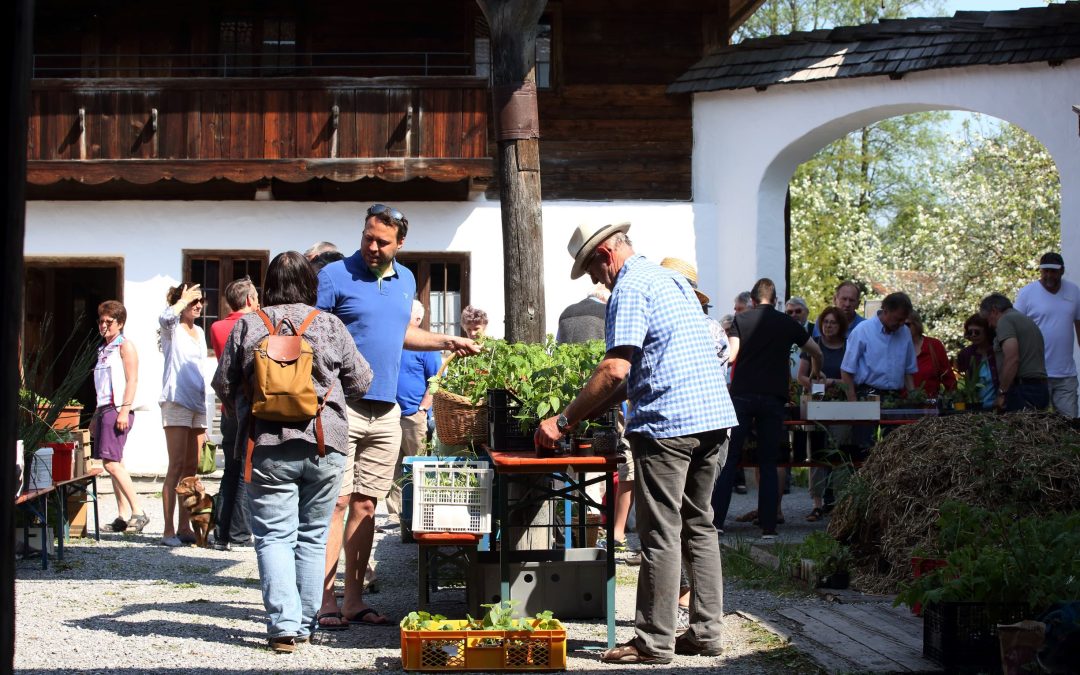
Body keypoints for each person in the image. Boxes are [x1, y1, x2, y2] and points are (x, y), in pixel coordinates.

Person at [535, 222, 736, 664]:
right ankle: (706, 632)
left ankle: (653, 640)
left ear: (605, 255)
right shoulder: (671, 280)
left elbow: (615, 371)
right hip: (714, 418)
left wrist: (563, 421)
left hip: (669, 425)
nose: (594, 280)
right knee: (699, 526)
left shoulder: (628, 287)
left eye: (591, 269)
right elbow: (648, 365)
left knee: (661, 532)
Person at [316, 203, 479, 629]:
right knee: (337, 503)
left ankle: (353, 600)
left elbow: (399, 333)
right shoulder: (333, 276)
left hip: (388, 411)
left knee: (368, 505)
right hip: (342, 405)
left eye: (382, 241)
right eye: (368, 237)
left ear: (400, 243)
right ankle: (323, 600)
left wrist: (445, 340)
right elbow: (312, 333)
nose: (372, 246)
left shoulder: (406, 279)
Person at [212, 251, 372, 652]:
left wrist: (249, 401)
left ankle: (283, 627)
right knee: (313, 535)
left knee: (273, 537)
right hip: (324, 442)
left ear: (267, 285)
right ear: (310, 284)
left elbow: (223, 383)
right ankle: (305, 621)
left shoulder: (248, 325)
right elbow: (361, 383)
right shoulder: (329, 325)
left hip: (266, 444)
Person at [712, 278, 822, 539]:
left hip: (742, 395)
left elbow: (733, 354)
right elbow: (816, 351)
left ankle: (717, 523)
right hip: (773, 398)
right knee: (769, 462)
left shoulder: (742, 319)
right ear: (776, 301)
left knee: (730, 460)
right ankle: (768, 528)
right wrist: (817, 374)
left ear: (751, 300)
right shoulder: (788, 323)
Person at [209, 277, 260, 551]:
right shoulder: (252, 324)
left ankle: (222, 532)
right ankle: (240, 533)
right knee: (243, 469)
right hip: (246, 403)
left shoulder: (217, 326)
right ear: (250, 299)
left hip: (227, 404)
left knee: (229, 467)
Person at [382, 300, 441, 531]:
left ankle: (421, 513)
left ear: (417, 320)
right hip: (388, 413)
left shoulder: (427, 346)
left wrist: (423, 408)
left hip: (413, 415)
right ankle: (394, 515)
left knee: (418, 465)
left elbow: (435, 381)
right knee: (393, 467)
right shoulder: (393, 340)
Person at [92, 300, 149, 533]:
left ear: (120, 323)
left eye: (109, 322)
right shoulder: (103, 348)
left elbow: (132, 379)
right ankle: (122, 515)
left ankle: (139, 511)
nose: (104, 325)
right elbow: (102, 383)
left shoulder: (124, 346)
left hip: (117, 408)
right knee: (117, 462)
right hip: (104, 408)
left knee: (111, 463)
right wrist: (96, 414)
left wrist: (125, 409)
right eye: (101, 321)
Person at [158, 282, 207, 547]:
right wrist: (180, 300)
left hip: (197, 404)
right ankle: (167, 530)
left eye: (200, 301)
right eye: (193, 301)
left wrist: (205, 418)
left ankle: (184, 526)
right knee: (175, 466)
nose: (198, 305)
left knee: (191, 469)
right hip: (176, 402)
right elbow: (164, 317)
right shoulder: (172, 329)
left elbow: (200, 371)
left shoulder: (199, 331)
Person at [1014, 252, 1080, 418]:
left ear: (1062, 271)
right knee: (1035, 424)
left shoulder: (1074, 291)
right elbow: (1015, 328)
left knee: (1069, 424)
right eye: (1045, 271)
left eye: (1053, 271)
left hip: (1066, 373)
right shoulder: (1027, 293)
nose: (1049, 275)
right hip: (1036, 373)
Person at [797, 307, 848, 521]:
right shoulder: (813, 344)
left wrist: (831, 383)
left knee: (839, 453)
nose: (828, 326)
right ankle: (817, 503)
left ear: (841, 326)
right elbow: (801, 376)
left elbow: (850, 380)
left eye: (833, 322)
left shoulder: (847, 347)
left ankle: (837, 501)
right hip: (816, 405)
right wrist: (816, 384)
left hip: (840, 406)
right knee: (816, 453)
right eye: (825, 322)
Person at [979, 293, 1049, 412]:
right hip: (1039, 387)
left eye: (988, 320)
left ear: (994, 310)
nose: (990, 325)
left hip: (1023, 390)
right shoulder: (1025, 320)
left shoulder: (1005, 321)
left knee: (1017, 430)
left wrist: (1002, 393)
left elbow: (1012, 358)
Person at [907, 310, 957, 398]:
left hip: (931, 406)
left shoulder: (933, 345)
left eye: (907, 325)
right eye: (899, 325)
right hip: (900, 405)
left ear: (916, 324)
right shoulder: (895, 347)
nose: (903, 328)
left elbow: (949, 379)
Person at [955, 314, 998, 410]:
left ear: (987, 332)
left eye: (977, 332)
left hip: (998, 407)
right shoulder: (965, 354)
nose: (973, 335)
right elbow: (962, 383)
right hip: (974, 408)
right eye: (970, 332)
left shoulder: (997, 352)